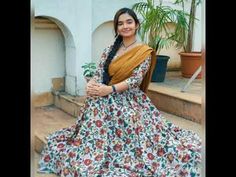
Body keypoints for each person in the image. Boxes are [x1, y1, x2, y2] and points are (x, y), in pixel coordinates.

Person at [38, 7, 201, 177]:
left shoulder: (143, 51)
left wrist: (109, 89)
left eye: (129, 22)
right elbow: (100, 71)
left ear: (136, 25)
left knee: (128, 118)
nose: (125, 26)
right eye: (120, 24)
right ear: (116, 28)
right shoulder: (110, 49)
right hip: (104, 94)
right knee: (95, 107)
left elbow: (135, 80)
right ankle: (95, 149)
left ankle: (124, 152)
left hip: (128, 98)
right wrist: (92, 84)